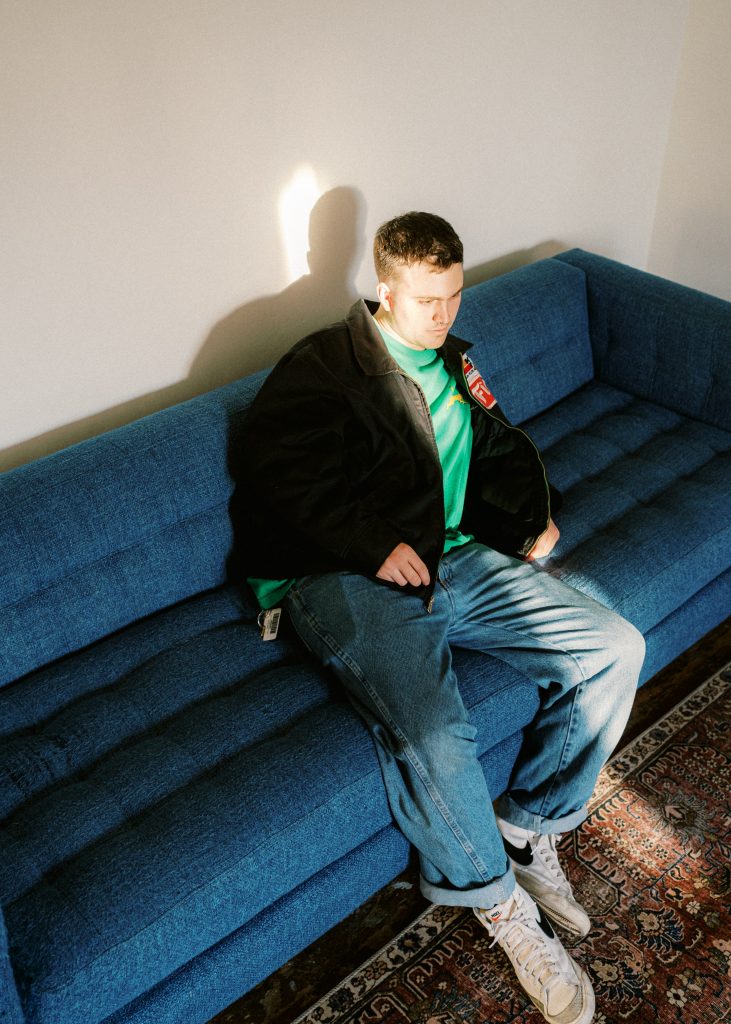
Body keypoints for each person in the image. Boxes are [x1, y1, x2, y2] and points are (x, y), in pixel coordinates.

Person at [241, 211, 645, 1024]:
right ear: (383, 287)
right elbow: (275, 477)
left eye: (453, 297)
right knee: (433, 729)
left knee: (612, 644)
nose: (442, 315)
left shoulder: (452, 356)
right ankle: (499, 905)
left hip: (453, 554)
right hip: (344, 574)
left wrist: (532, 515)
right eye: (425, 300)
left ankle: (530, 826)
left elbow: (488, 445)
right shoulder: (324, 367)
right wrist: (370, 541)